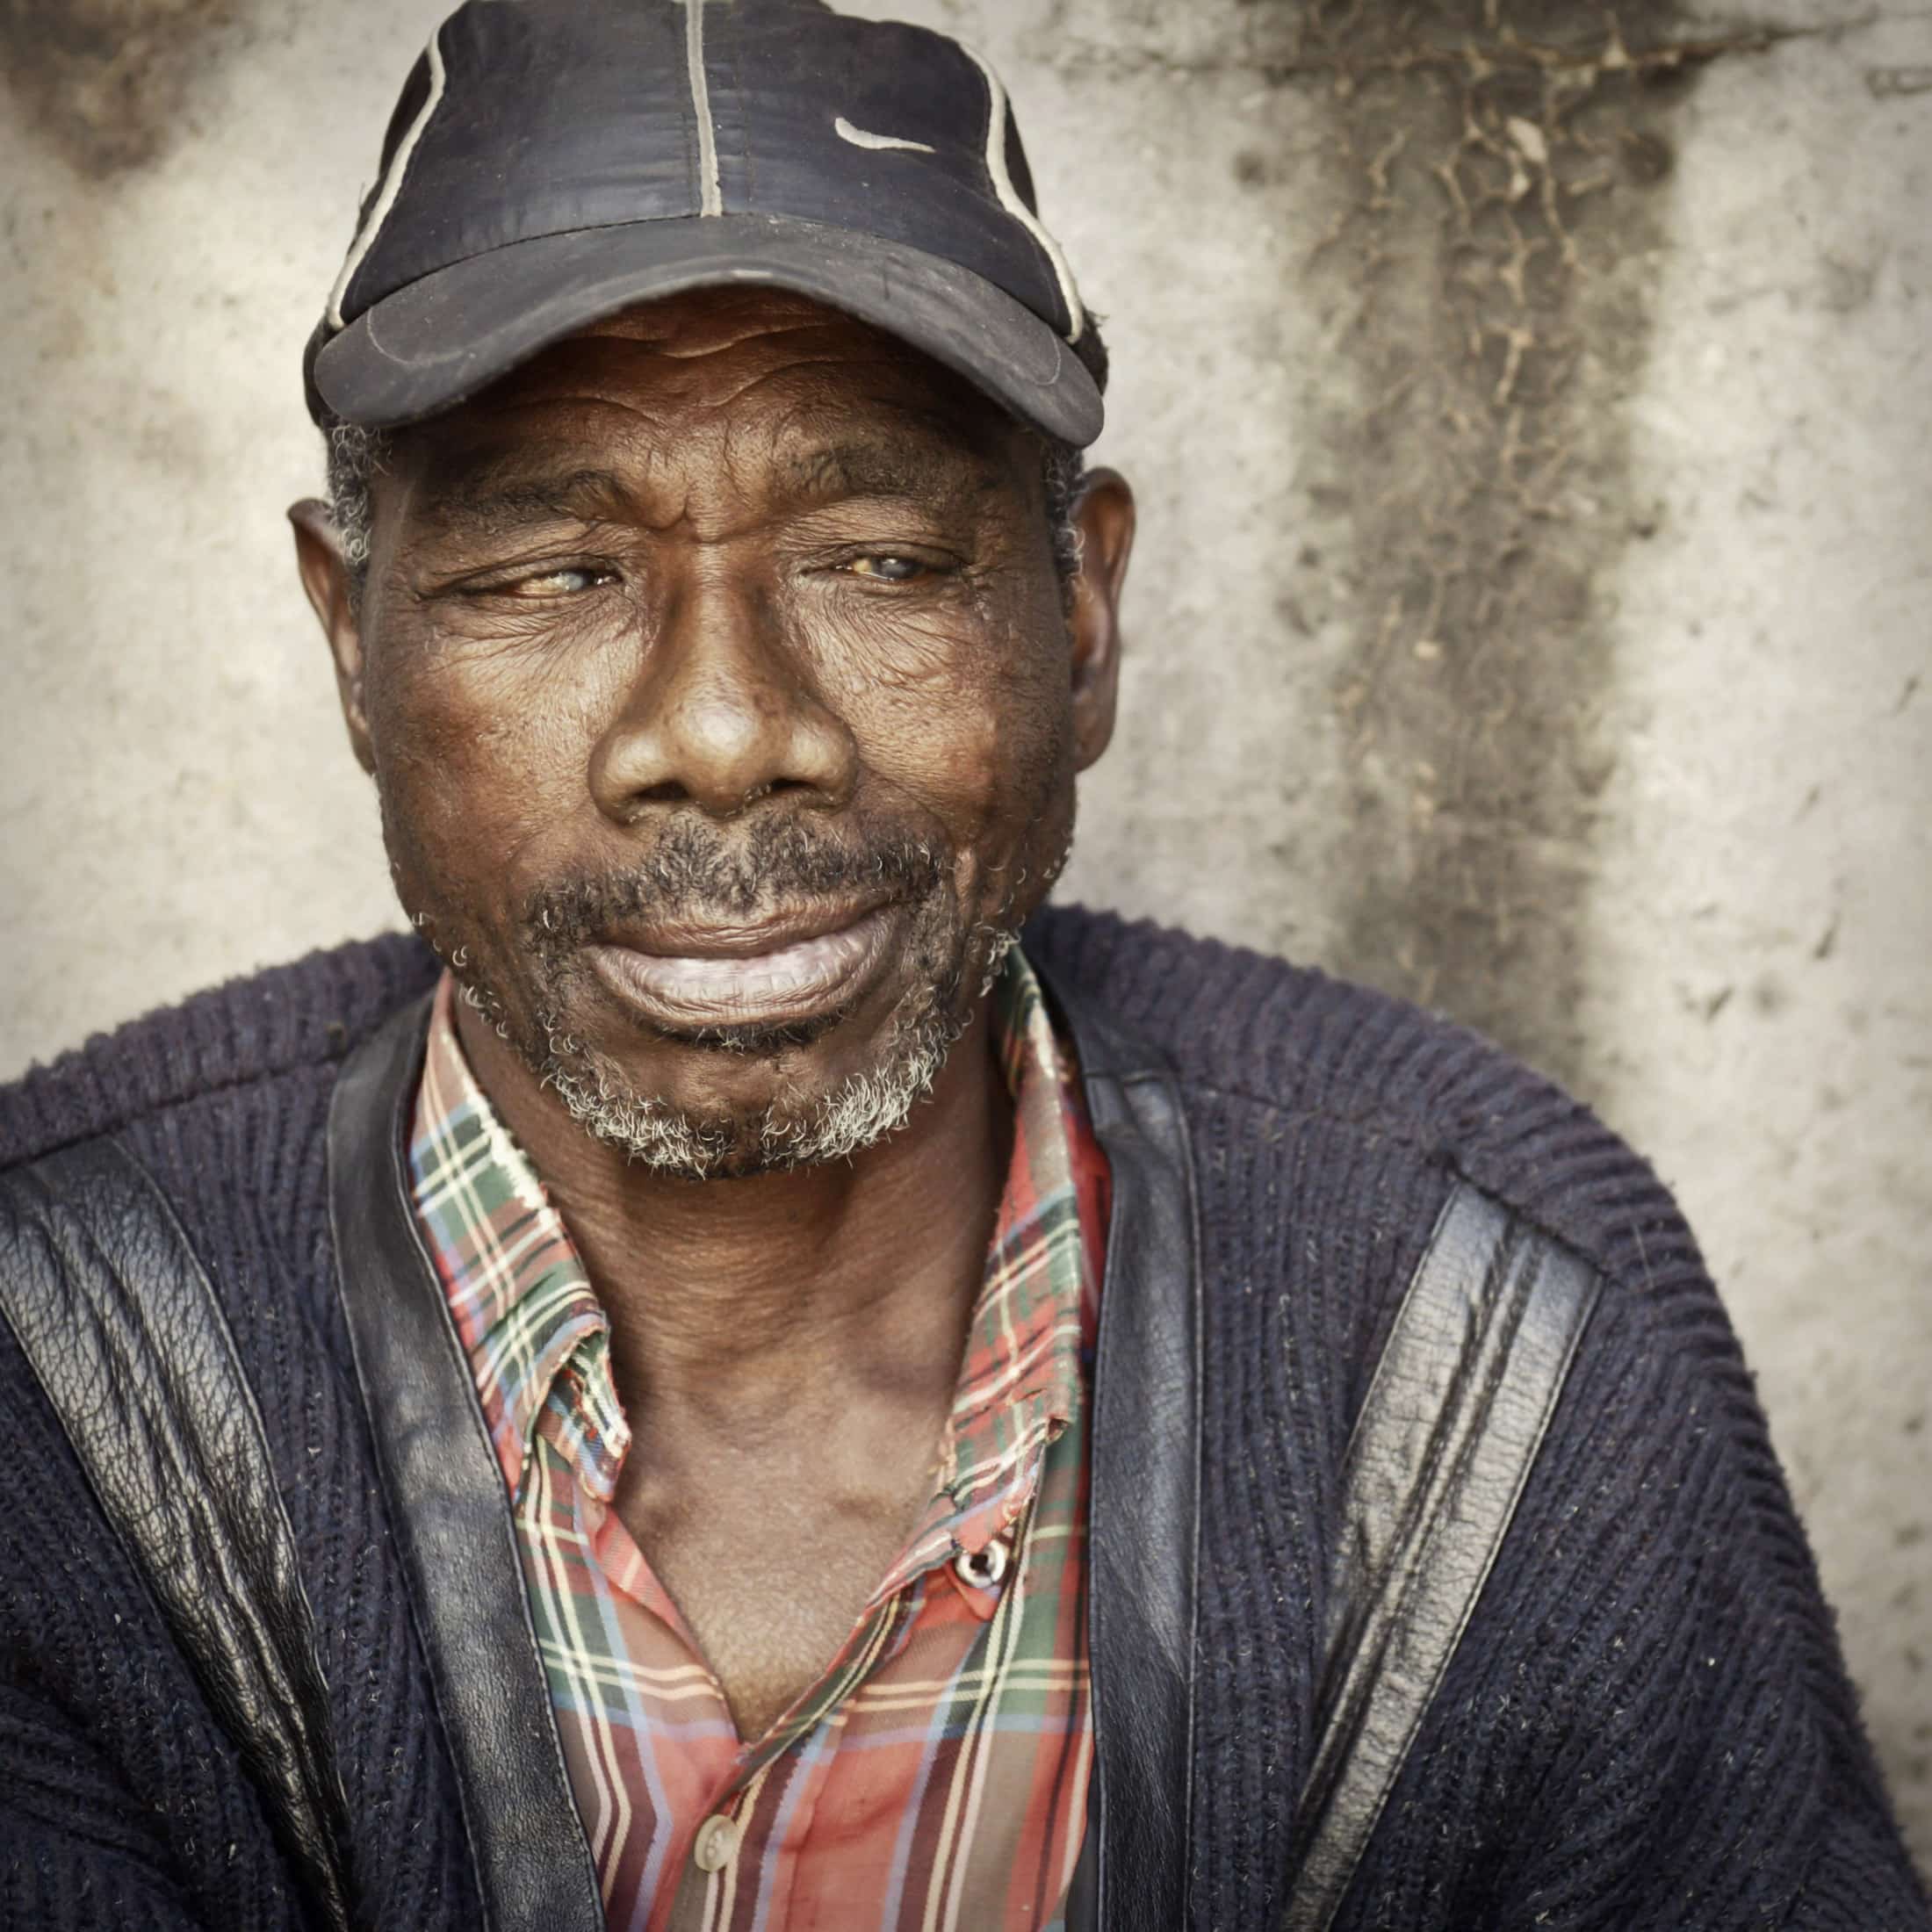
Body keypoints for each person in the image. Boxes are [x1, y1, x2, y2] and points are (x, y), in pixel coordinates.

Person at [0, 1, 1924, 1928]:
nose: (728, 725)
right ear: (354, 644)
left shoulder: (1480, 1336)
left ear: (1080, 614)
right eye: (547, 575)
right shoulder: (58, 1371)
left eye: (880, 559)